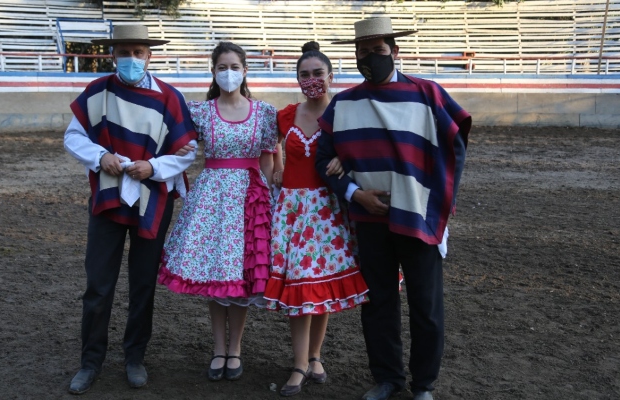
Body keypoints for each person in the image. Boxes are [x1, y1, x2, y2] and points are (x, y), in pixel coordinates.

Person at [315, 17, 471, 400]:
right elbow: (323, 160)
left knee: (426, 305)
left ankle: (424, 385)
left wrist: (434, 202)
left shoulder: (427, 94)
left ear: (395, 51)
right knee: (379, 303)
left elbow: (455, 148)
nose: (371, 57)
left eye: (379, 50)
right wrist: (354, 192)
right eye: (363, 51)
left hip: (418, 217)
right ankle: (387, 378)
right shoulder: (344, 103)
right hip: (369, 219)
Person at [63, 24, 198, 395]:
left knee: (142, 284)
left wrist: (153, 168)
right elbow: (72, 137)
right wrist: (100, 155)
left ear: (150, 56)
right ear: (113, 55)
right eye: (125, 52)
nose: (132, 59)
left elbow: (187, 151)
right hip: (107, 199)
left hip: (152, 200)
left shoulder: (170, 98)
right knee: (98, 284)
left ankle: (134, 357)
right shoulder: (98, 92)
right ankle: (90, 361)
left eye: (139, 52)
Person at [157, 41, 278, 382]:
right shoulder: (200, 111)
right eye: (221, 67)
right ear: (213, 71)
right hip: (211, 198)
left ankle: (235, 348)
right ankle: (218, 348)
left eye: (234, 66)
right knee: (215, 274)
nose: (228, 73)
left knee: (239, 278)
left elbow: (269, 156)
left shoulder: (265, 112)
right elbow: (178, 148)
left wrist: (270, 197)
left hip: (249, 199)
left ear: (245, 70)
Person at [263, 41, 370, 397]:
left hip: (328, 210)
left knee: (318, 286)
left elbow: (366, 149)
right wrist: (276, 166)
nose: (311, 80)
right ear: (297, 78)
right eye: (304, 74)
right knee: (299, 288)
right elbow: (268, 148)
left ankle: (314, 356)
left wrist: (348, 160)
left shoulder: (345, 113)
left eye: (317, 73)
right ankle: (298, 364)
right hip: (293, 213)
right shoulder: (286, 115)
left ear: (331, 75)